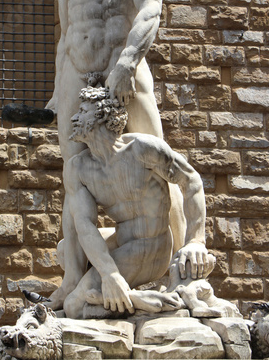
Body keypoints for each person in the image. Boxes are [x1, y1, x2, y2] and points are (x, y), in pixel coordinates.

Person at [45, 0, 185, 308]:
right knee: (75, 179)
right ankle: (72, 277)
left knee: (160, 168)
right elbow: (66, 34)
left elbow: (149, 11)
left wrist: (126, 64)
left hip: (125, 70)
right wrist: (56, 90)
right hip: (75, 78)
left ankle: (181, 266)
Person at [60, 87, 211, 319]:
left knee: (74, 306)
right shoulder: (78, 168)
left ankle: (135, 300)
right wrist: (110, 274)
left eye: (82, 111)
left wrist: (196, 241)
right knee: (65, 251)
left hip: (151, 246)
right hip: (123, 240)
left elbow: (191, 181)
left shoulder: (142, 148)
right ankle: (133, 298)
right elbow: (84, 224)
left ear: (101, 116)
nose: (73, 117)